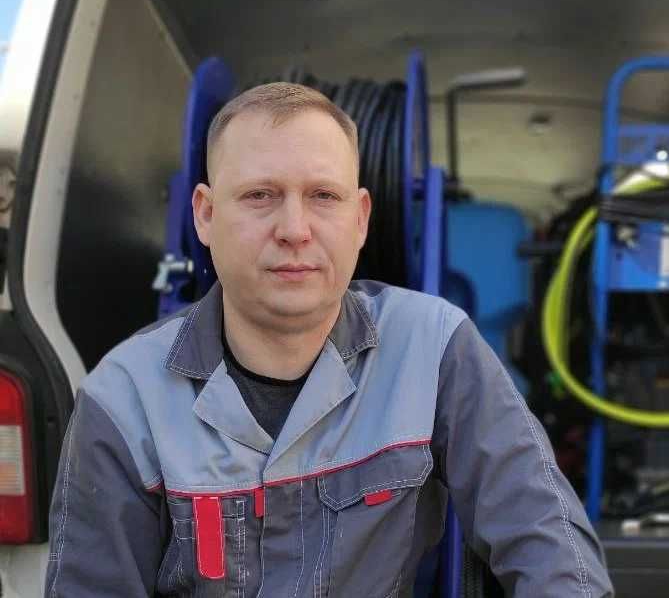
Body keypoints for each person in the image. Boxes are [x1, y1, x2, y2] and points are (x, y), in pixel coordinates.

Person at [44, 83, 613, 597]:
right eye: (260, 195)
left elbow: (545, 536)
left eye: (323, 196)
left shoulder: (434, 347)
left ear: (360, 219)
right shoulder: (124, 396)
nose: (295, 229)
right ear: (206, 215)